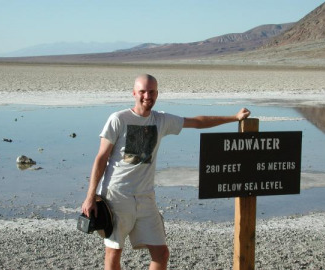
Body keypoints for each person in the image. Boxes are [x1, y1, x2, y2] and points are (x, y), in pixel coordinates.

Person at [81, 74, 251, 270]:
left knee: (161, 253)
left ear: (157, 94)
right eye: (143, 91)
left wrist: (234, 117)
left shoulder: (161, 120)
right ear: (134, 93)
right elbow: (101, 158)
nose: (147, 96)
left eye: (151, 92)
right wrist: (90, 196)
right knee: (114, 252)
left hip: (145, 198)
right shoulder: (118, 119)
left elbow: (197, 122)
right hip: (117, 196)